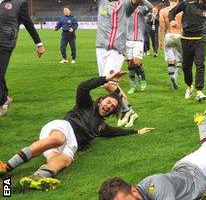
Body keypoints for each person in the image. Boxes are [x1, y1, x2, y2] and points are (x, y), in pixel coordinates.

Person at [98, 80, 206, 200]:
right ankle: (204, 123)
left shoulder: (156, 186)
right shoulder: (142, 194)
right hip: (197, 180)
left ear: (133, 190)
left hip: (197, 168)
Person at [0, 72, 153, 191]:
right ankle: (7, 167)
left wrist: (136, 132)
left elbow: (117, 132)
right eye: (108, 102)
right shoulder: (86, 104)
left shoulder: (102, 127)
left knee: (64, 160)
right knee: (58, 139)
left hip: (72, 145)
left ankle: (38, 177)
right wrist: (105, 79)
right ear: (101, 100)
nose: (109, 106)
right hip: (63, 127)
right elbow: (83, 87)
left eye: (112, 107)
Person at [65, 0, 159, 126]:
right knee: (107, 84)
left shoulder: (125, 4)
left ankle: (127, 110)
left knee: (108, 83)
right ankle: (128, 111)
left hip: (117, 49)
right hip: (101, 48)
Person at [0, 0, 46, 117]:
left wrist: (39, 44)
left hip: (5, 42)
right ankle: (5, 96)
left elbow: (29, 24)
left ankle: (2, 103)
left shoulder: (19, 3)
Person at [168, 0, 206, 102]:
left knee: (200, 64)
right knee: (186, 66)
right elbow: (172, 12)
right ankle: (189, 86)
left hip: (200, 39)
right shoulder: (186, 3)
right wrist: (172, 20)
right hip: (186, 38)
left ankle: (199, 90)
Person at [125, 0, 153, 94]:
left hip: (138, 40)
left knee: (137, 62)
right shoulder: (125, 10)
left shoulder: (141, 9)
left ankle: (143, 80)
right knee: (130, 65)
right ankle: (133, 85)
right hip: (127, 40)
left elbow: (150, 7)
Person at [159, 0, 184, 90]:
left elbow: (161, 26)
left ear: (169, 0)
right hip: (179, 35)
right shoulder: (182, 11)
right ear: (178, 0)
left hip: (168, 36)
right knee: (182, 60)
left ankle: (172, 80)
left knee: (170, 61)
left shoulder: (163, 11)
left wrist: (160, 41)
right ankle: (175, 76)